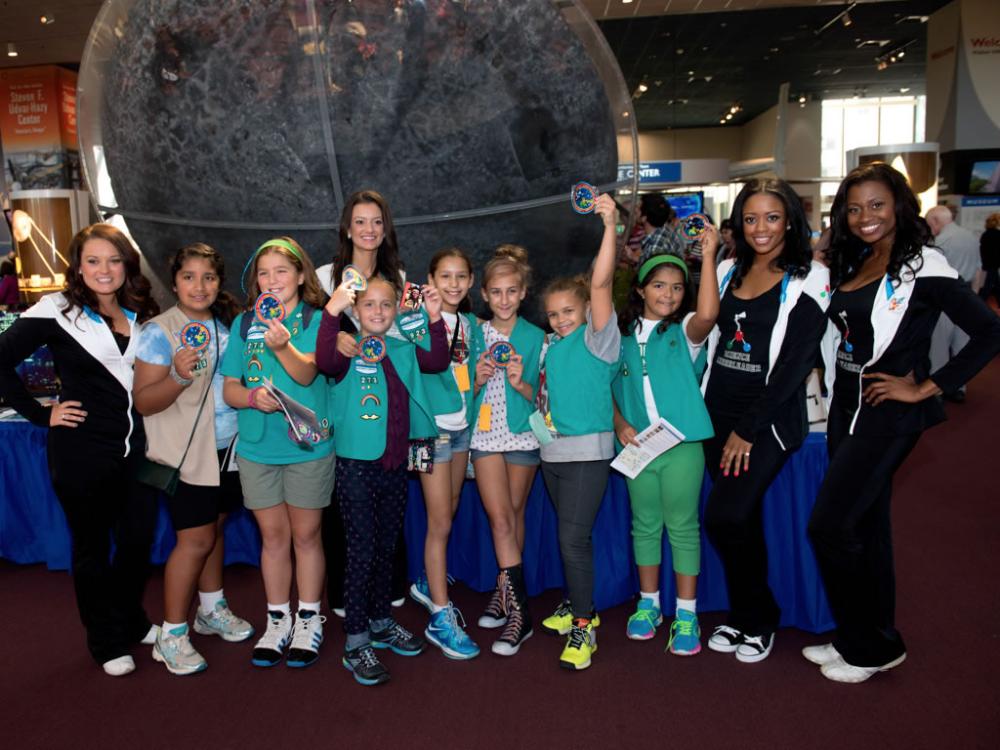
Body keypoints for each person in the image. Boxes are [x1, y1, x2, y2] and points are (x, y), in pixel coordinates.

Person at [806, 162, 1000, 684]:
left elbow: (989, 332)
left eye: (876, 205)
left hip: (889, 415)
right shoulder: (859, 261)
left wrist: (925, 385)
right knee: (867, 528)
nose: (865, 216)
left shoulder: (924, 264)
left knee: (829, 525)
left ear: (898, 206)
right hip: (846, 408)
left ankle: (869, 648)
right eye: (853, 208)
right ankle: (865, 637)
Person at [0, 223, 160, 677]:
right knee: (92, 548)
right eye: (92, 260)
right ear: (79, 266)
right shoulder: (56, 308)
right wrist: (40, 413)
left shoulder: (139, 310)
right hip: (81, 452)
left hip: (136, 450)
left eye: (113, 259)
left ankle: (131, 618)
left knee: (136, 542)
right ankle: (105, 641)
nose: (104, 270)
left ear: (126, 264)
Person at [701, 178, 830, 663]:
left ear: (791, 220)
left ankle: (762, 615)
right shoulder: (728, 267)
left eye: (772, 217)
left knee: (726, 515)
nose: (760, 228)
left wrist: (748, 429)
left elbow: (796, 364)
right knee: (742, 521)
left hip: (768, 420)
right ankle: (744, 615)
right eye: (750, 218)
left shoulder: (809, 277)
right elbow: (706, 332)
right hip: (716, 412)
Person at [317, 275, 449, 686]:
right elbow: (323, 362)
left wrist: (433, 318)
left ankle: (379, 622)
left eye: (385, 305)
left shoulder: (403, 349)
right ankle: (356, 642)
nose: (377, 311)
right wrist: (331, 312)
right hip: (356, 465)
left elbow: (437, 361)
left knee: (387, 547)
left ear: (395, 310)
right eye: (368, 304)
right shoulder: (345, 347)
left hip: (396, 463)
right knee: (360, 551)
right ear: (357, 310)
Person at [133, 243, 253, 675]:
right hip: (188, 456)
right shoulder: (159, 331)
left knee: (216, 530)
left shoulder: (229, 326)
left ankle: (211, 608)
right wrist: (180, 376)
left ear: (219, 282)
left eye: (208, 277)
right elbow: (144, 402)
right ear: (175, 281)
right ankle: (172, 634)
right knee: (195, 541)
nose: (199, 286)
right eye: (189, 277)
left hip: (230, 451)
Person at [221, 237, 335, 669]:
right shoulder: (243, 323)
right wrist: (251, 398)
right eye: (263, 274)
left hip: (306, 447)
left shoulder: (319, 320)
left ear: (302, 276)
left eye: (281, 272)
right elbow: (230, 386)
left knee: (306, 536)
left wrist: (281, 343)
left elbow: (307, 374)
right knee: (272, 538)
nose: (272, 281)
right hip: (256, 447)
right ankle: (277, 619)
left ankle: (309, 617)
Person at [612, 218, 720, 657]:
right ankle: (648, 605)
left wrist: (708, 256)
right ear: (640, 289)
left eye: (677, 287)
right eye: (659, 285)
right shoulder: (617, 339)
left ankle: (688, 614)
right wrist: (619, 423)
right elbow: (609, 391)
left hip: (683, 448)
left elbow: (710, 314)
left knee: (683, 528)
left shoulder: (685, 332)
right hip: (638, 448)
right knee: (644, 526)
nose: (669, 295)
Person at [535, 194, 620, 670]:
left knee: (573, 540)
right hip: (553, 455)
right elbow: (543, 396)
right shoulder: (552, 346)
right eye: (553, 313)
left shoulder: (598, 337)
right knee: (569, 539)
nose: (561, 319)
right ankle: (574, 604)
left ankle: (586, 625)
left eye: (569, 310)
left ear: (587, 310)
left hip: (587, 455)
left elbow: (602, 280)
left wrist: (609, 224)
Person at [316, 189, 409, 618]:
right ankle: (343, 594)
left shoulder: (400, 278)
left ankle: (387, 591)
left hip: (385, 408)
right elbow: (315, 334)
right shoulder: (322, 278)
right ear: (346, 228)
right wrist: (334, 335)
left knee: (389, 507)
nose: (369, 230)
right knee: (345, 510)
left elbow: (408, 341)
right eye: (360, 221)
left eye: (377, 221)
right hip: (338, 402)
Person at [470, 244, 545, 656]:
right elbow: (460, 394)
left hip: (521, 436)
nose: (503, 299)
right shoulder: (474, 334)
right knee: (500, 520)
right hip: (484, 438)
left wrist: (520, 384)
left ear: (523, 293)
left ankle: (504, 596)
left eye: (511, 291)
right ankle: (522, 614)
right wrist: (478, 380)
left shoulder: (536, 338)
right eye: (495, 292)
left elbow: (542, 400)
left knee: (513, 517)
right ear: (483, 294)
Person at [409, 247, 481, 660]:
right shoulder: (415, 321)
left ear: (470, 282)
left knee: (449, 509)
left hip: (461, 429)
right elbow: (423, 366)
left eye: (460, 277)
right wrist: (431, 317)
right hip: (426, 434)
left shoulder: (470, 323)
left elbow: (464, 374)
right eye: (444, 277)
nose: (453, 284)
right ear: (430, 281)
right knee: (439, 522)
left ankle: (424, 582)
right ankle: (439, 614)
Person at [926, 205, 981, 403]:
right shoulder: (972, 237)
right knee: (962, 345)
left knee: (939, 346)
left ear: (936, 221)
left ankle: (937, 389)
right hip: (967, 296)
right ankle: (959, 387)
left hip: (944, 299)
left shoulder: (940, 242)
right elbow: (978, 270)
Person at [637, 193, 685, 266]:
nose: (635, 210)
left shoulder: (656, 246)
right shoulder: (665, 231)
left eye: (638, 208)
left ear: (644, 218)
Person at [979, 212, 1000, 305]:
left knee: (991, 284)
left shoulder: (985, 234)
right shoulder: (997, 234)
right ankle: (979, 305)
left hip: (986, 263)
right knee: (988, 286)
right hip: (993, 263)